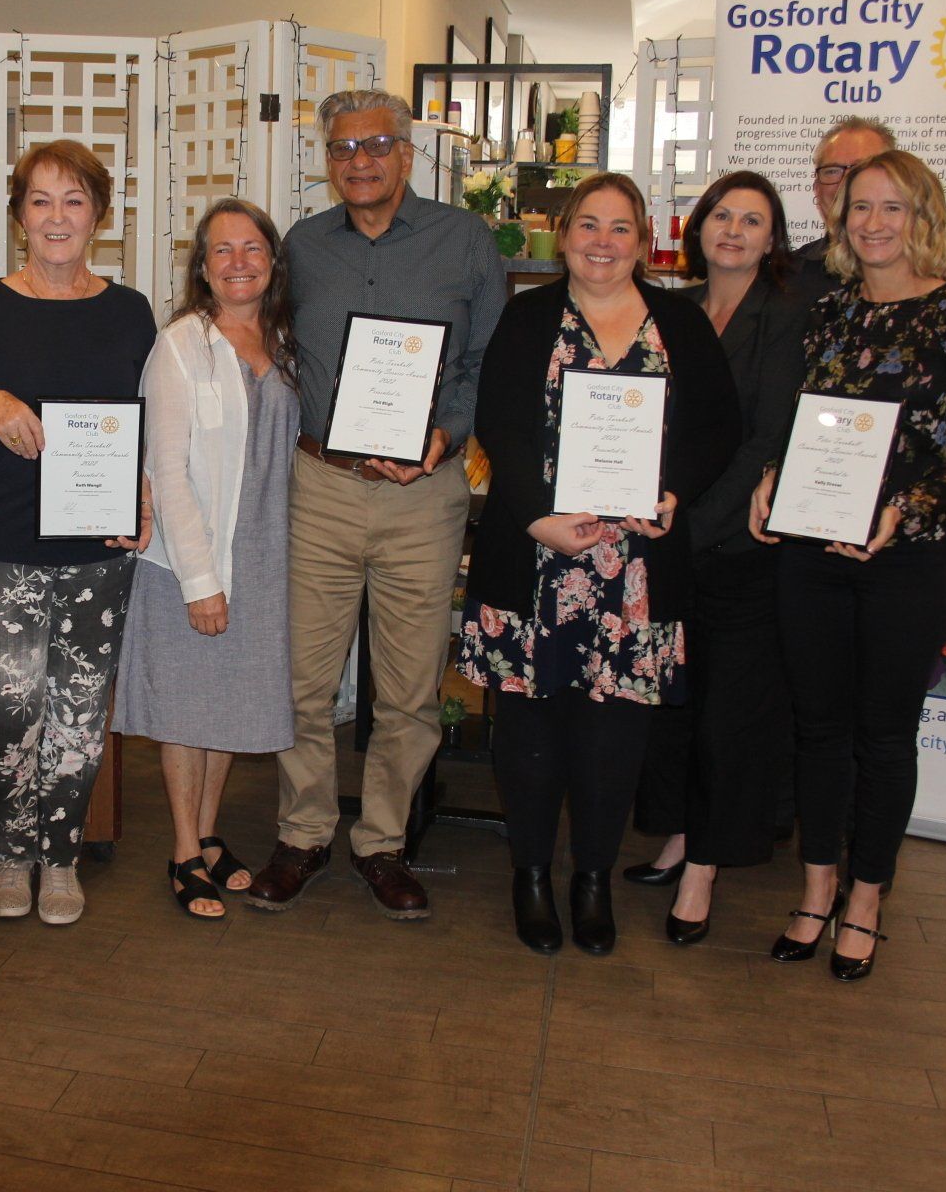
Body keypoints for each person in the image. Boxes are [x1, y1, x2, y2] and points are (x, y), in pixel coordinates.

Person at [461, 171, 740, 956]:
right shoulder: (527, 319)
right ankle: (531, 875)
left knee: (614, 733)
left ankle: (590, 878)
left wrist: (676, 492)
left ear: (645, 240)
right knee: (529, 726)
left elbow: (718, 426)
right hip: (539, 557)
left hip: (639, 571)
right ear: (563, 234)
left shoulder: (680, 324)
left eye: (621, 228)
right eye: (588, 225)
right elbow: (500, 425)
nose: (603, 243)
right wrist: (537, 518)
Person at [248, 89, 505, 922]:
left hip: (424, 494)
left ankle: (383, 841)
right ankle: (305, 831)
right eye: (342, 148)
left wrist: (445, 436)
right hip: (321, 486)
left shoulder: (463, 240)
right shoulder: (301, 246)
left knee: (408, 690)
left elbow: (486, 362)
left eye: (377, 145)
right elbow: (268, 347)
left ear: (408, 154)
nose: (359, 161)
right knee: (303, 682)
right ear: (328, 160)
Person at [750, 150, 946, 981]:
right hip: (812, 554)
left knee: (885, 736)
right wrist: (770, 480)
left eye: (892, 208)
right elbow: (805, 427)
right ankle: (817, 889)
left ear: (921, 217)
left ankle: (867, 898)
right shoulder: (831, 316)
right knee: (818, 729)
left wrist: (903, 513)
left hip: (907, 561)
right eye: (860, 207)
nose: (872, 223)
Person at [0, 139, 155, 926]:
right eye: (40, 200)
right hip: (2, 548)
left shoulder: (129, 311)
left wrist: (146, 494)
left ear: (97, 214)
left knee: (79, 713)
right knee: (4, 707)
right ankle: (8, 853)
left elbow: (144, 427)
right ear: (20, 216)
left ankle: (60, 856)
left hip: (98, 552)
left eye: (73, 200)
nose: (57, 216)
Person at [620, 171, 806, 944]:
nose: (733, 230)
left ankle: (706, 867)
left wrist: (692, 523)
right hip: (669, 532)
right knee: (676, 704)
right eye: (722, 215)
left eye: (752, 220)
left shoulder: (787, 317)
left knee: (730, 713)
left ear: (773, 238)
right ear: (697, 227)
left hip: (735, 546)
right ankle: (681, 832)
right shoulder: (677, 309)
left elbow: (769, 438)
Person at [115, 198, 300, 919]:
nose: (238, 263)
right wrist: (200, 580)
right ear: (202, 266)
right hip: (193, 556)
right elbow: (165, 467)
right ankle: (184, 850)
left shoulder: (287, 341)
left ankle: (213, 834)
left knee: (229, 705)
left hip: (265, 551)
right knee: (189, 708)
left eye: (252, 248)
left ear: (272, 261)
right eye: (222, 250)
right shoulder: (181, 345)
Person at [792, 117, 895, 301]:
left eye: (861, 168)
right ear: (817, 188)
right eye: (832, 170)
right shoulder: (787, 275)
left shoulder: (918, 275)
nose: (846, 182)